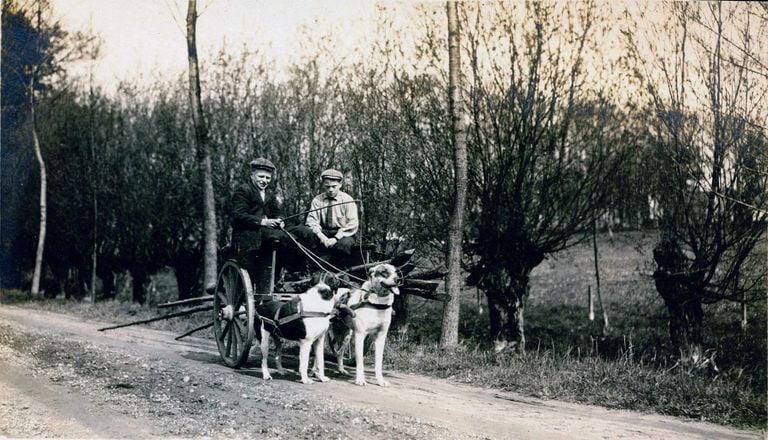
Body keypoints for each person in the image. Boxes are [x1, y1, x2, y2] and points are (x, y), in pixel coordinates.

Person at [230, 157, 287, 277]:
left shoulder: (269, 194)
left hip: (265, 234)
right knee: (279, 237)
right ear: (252, 175)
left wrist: (280, 220)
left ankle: (277, 275)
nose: (264, 181)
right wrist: (263, 222)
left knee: (296, 235)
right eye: (261, 177)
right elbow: (238, 216)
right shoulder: (243, 191)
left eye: (268, 178)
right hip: (247, 235)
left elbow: (278, 212)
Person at [301, 169, 359, 257]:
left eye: (334, 186)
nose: (330, 190)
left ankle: (337, 268)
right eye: (327, 187)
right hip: (323, 232)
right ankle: (313, 266)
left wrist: (336, 238)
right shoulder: (317, 200)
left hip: (343, 234)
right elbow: (311, 222)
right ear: (323, 185)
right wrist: (322, 237)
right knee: (308, 239)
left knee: (344, 245)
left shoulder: (348, 200)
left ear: (340, 184)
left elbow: (352, 224)